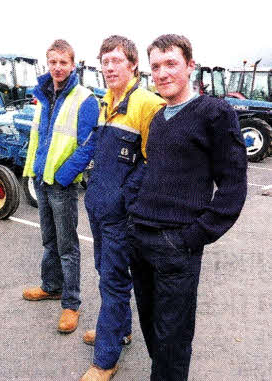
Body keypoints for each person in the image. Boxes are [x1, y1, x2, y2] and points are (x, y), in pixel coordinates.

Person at [127, 34, 247, 380]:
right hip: (141, 239)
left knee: (172, 341)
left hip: (175, 245)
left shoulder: (214, 112)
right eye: (156, 67)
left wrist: (194, 236)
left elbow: (233, 186)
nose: (162, 73)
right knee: (152, 332)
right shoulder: (159, 119)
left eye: (171, 64)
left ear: (190, 66)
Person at [80, 35, 165, 381]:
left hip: (120, 214)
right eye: (105, 61)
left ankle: (106, 360)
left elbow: (155, 161)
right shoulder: (106, 102)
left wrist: (124, 199)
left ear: (132, 65)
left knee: (113, 282)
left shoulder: (146, 104)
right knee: (105, 271)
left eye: (116, 60)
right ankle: (120, 331)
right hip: (99, 208)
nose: (109, 67)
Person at [22, 39, 99, 334]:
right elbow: (40, 139)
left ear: (73, 64)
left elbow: (88, 146)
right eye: (53, 62)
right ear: (47, 63)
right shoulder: (44, 95)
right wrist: (33, 172)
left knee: (67, 246)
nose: (57, 67)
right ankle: (51, 286)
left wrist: (65, 176)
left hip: (61, 184)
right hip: (41, 180)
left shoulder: (84, 99)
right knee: (49, 240)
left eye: (63, 62)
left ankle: (71, 303)